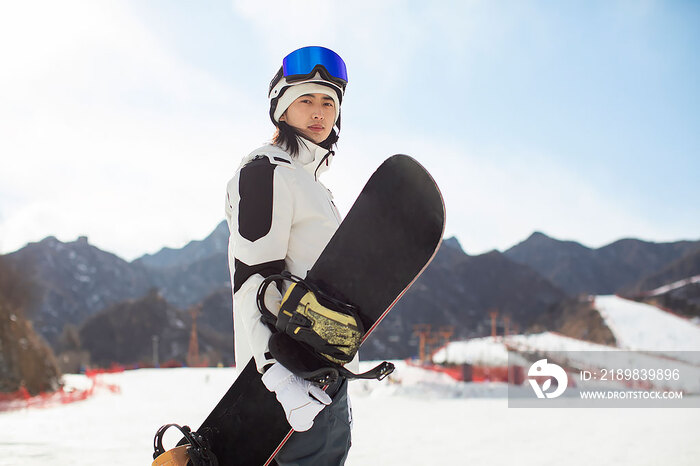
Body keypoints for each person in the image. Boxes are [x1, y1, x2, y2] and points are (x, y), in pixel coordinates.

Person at [224, 46, 357, 465]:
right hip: (289, 377)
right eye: (305, 99)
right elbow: (252, 276)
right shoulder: (266, 172)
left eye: (328, 103)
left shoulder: (313, 185)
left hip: (323, 369)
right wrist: (274, 371)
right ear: (281, 110)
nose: (319, 112)